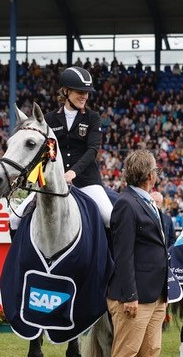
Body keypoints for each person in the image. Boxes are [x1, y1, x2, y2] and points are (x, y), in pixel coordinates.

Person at [107, 149, 172, 357]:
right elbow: (123, 255)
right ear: (149, 175)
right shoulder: (126, 204)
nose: (157, 174)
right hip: (133, 296)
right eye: (156, 170)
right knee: (125, 354)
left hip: (156, 294)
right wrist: (129, 295)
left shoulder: (146, 202)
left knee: (150, 354)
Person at [9, 66, 113, 232]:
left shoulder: (93, 118)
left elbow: (93, 150)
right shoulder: (50, 119)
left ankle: (110, 258)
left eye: (86, 92)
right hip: (55, 182)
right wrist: (34, 177)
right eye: (80, 91)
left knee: (109, 217)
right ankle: (19, 257)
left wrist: (73, 172)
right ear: (66, 91)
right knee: (15, 220)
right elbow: (50, 152)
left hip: (87, 181)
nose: (85, 96)